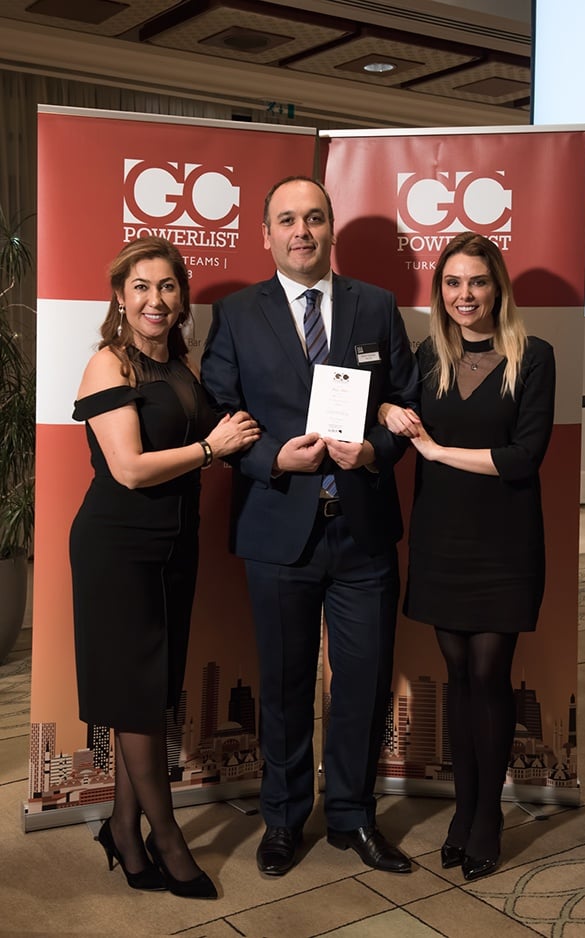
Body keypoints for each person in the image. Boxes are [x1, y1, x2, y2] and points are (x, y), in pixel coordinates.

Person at [201, 176, 419, 876]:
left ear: (331, 229)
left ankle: (353, 817)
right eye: (288, 219)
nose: (303, 231)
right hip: (277, 528)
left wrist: (375, 450)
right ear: (266, 233)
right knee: (285, 684)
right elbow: (217, 406)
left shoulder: (376, 306)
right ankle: (284, 819)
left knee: (362, 683)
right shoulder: (237, 313)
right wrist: (272, 458)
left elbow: (404, 399)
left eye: (315, 218)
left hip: (362, 528)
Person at [69, 237, 260, 899]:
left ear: (182, 300)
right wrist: (211, 447)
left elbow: (224, 432)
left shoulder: (178, 366)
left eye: (168, 286)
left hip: (176, 546)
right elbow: (127, 468)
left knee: (149, 696)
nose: (156, 299)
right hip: (118, 548)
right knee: (135, 695)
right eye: (142, 287)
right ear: (121, 298)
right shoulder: (109, 364)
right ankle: (167, 838)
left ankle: (123, 829)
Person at [379, 231, 556, 881]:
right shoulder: (429, 357)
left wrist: (434, 451)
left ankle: (488, 818)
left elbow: (523, 457)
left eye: (477, 281)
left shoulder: (534, 357)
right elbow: (391, 410)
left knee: (489, 673)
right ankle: (463, 810)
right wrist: (389, 413)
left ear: (497, 288)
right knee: (457, 676)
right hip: (440, 538)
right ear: (440, 292)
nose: (465, 295)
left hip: (504, 542)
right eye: (453, 282)